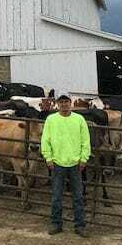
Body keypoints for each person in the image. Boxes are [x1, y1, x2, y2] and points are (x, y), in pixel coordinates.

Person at [41, 93, 91, 237]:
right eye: (61, 102)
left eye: (66, 102)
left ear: (70, 103)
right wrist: (48, 158)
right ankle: (56, 223)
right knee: (56, 195)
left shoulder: (79, 119)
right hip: (57, 163)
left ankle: (80, 225)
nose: (64, 105)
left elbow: (85, 141)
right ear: (57, 104)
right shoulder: (51, 120)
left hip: (76, 164)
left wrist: (83, 158)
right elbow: (45, 140)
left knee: (78, 196)